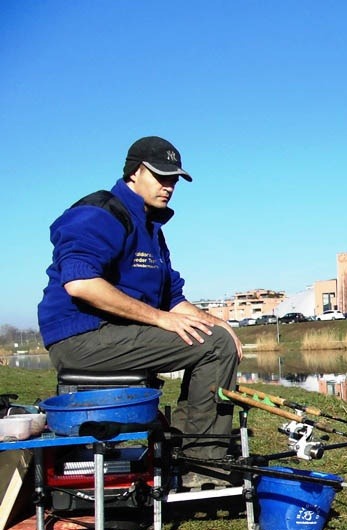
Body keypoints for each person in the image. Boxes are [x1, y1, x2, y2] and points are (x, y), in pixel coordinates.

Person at [37, 136, 243, 488]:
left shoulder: (151, 229)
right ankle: (204, 465)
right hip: (82, 337)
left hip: (114, 333)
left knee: (218, 338)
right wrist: (161, 318)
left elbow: (172, 297)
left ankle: (185, 448)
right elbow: (81, 284)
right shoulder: (100, 212)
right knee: (215, 346)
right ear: (134, 172)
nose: (169, 186)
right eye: (161, 176)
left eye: (174, 179)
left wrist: (218, 323)